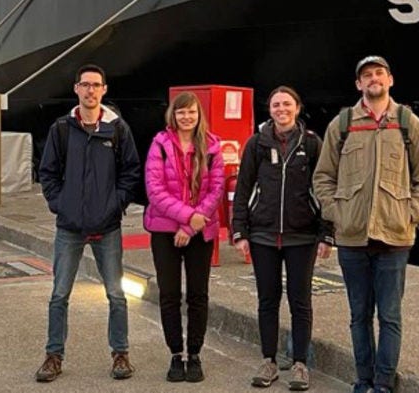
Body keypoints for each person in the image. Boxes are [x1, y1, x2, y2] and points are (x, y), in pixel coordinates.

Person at [313, 56, 419, 393]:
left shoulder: (408, 123)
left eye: (378, 74)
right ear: (358, 84)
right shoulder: (342, 124)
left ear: (390, 79)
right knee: (358, 316)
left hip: (395, 236)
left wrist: (412, 213)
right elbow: (323, 177)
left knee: (390, 317)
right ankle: (363, 380)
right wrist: (337, 213)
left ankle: (382, 383)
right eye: (366, 75)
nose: (373, 79)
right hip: (352, 237)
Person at [36, 64, 141, 382]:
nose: (91, 91)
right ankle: (54, 356)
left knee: (117, 295)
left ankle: (120, 354)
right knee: (59, 294)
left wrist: (115, 205)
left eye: (96, 85)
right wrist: (60, 205)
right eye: (85, 85)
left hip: (107, 225)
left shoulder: (117, 128)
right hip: (69, 226)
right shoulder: (62, 129)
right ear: (76, 89)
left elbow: (131, 171)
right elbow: (47, 173)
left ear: (104, 90)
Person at [232, 86, 335, 391]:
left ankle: (301, 364)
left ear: (298, 108)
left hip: (301, 235)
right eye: (276, 104)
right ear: (270, 110)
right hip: (263, 235)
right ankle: (269, 361)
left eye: (286, 104)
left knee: (300, 301)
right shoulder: (256, 144)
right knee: (267, 300)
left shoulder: (313, 144)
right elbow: (243, 188)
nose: (281, 109)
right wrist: (240, 231)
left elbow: (325, 190)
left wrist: (327, 233)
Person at [144, 91, 226, 383]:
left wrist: (191, 226)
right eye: (181, 112)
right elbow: (154, 190)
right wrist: (185, 217)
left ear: (198, 114)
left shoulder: (213, 146)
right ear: (173, 115)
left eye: (191, 112)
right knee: (168, 294)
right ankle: (175, 353)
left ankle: (195, 353)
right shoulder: (160, 144)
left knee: (197, 295)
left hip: (199, 230)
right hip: (165, 230)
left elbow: (216, 190)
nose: (186, 117)